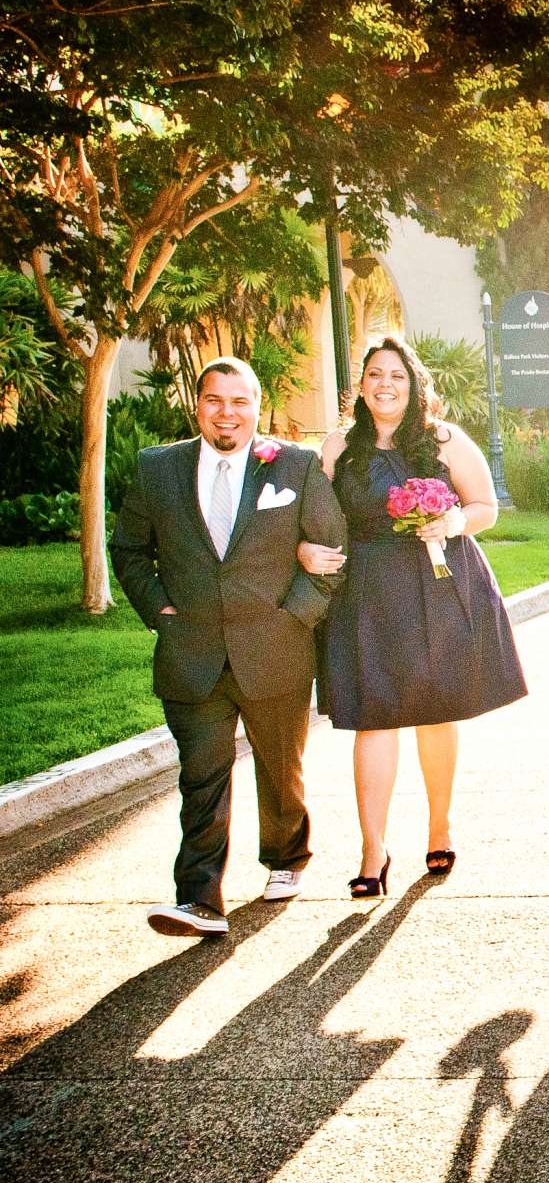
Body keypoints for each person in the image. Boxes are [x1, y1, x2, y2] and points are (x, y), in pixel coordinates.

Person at [108, 357, 346, 936]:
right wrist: (160, 612)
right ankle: (198, 898)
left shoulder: (294, 465)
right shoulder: (157, 468)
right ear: (198, 404)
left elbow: (332, 550)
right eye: (216, 400)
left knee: (280, 768)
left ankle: (287, 855)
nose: (227, 413)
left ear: (257, 407)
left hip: (275, 650)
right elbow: (130, 549)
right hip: (191, 652)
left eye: (240, 402)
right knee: (201, 776)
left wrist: (296, 617)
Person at [300, 335, 526, 898]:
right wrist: (307, 550)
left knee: (434, 709)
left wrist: (450, 523)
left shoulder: (444, 440)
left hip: (436, 585)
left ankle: (439, 824)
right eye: (375, 374)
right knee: (373, 717)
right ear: (362, 386)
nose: (385, 385)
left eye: (397, 376)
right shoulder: (336, 450)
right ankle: (372, 849)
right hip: (367, 592)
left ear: (414, 384)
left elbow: (485, 508)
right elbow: (312, 520)